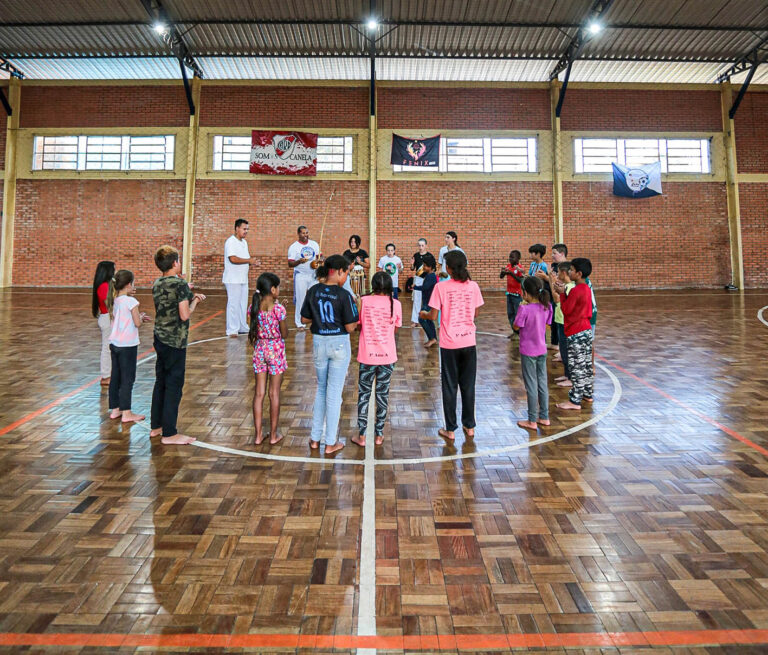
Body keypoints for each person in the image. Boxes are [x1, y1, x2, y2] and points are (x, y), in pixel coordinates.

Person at [420, 250, 484, 441]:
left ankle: (450, 429)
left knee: (449, 386)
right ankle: (469, 426)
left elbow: (433, 315)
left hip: (449, 344)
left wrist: (423, 315)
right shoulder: (473, 286)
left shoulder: (441, 287)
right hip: (468, 342)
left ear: (448, 268)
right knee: (468, 385)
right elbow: (476, 313)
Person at [300, 255, 359, 455]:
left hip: (319, 342)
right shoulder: (344, 295)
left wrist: (320, 317)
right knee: (334, 394)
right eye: (346, 273)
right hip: (339, 343)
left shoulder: (313, 290)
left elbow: (304, 318)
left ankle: (315, 438)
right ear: (339, 271)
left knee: (321, 390)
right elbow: (350, 327)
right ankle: (331, 441)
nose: (346, 277)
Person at [149, 245, 206, 445]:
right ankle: (170, 433)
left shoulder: (157, 283)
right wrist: (195, 300)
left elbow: (169, 297)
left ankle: (156, 426)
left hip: (159, 337)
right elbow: (184, 314)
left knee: (161, 382)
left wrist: (185, 289)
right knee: (174, 385)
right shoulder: (180, 285)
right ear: (175, 263)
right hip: (175, 341)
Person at [352, 271, 402, 447]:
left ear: (373, 286)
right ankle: (379, 434)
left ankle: (362, 435)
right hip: (387, 357)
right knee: (382, 395)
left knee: (364, 395)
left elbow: (358, 326)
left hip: (367, 356)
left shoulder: (364, 301)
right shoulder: (395, 304)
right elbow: (395, 329)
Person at [248, 272, 287, 446]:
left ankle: (258, 436)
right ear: (272, 289)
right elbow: (284, 334)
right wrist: (282, 318)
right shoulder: (279, 310)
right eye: (278, 287)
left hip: (259, 350)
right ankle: (273, 435)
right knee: (274, 393)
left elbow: (254, 327)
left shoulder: (253, 307)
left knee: (259, 393)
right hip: (275, 350)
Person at [107, 269, 150, 424]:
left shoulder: (115, 300)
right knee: (127, 378)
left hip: (115, 343)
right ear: (128, 284)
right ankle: (127, 412)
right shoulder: (132, 301)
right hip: (128, 345)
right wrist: (141, 317)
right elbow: (137, 323)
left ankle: (115, 409)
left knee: (116, 376)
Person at [513, 276, 553, 431]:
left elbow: (516, 326)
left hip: (528, 351)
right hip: (542, 349)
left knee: (531, 384)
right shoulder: (547, 306)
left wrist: (521, 308)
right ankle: (544, 417)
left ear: (526, 293)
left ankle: (532, 420)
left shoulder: (524, 309)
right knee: (542, 382)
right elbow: (548, 324)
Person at [556, 258, 594, 411]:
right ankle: (587, 393)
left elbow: (566, 310)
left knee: (576, 367)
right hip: (586, 330)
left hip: (576, 331)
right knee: (586, 365)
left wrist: (562, 294)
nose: (569, 272)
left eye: (571, 270)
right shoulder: (586, 288)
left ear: (579, 273)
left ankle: (575, 401)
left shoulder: (576, 290)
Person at [223, 219, 259, 338]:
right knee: (233, 304)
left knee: (242, 304)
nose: (246, 231)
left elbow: (245, 259)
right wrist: (249, 260)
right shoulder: (231, 242)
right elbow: (232, 259)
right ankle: (232, 329)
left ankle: (242, 326)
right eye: (244, 229)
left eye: (247, 229)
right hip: (233, 279)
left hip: (243, 278)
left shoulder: (244, 242)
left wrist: (252, 262)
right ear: (237, 228)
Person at [287, 225, 320, 330]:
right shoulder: (294, 247)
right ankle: (300, 323)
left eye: (306, 233)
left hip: (313, 275)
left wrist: (320, 261)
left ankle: (316, 320)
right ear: (298, 234)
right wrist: (299, 261)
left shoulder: (314, 244)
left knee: (315, 298)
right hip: (300, 275)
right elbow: (290, 264)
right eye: (303, 233)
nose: (305, 235)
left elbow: (320, 256)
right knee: (300, 299)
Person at [537, 243, 568, 351]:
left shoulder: (567, 268)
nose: (552, 256)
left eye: (554, 253)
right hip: (552, 296)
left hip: (560, 297)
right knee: (554, 320)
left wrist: (547, 277)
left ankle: (562, 347)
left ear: (562, 253)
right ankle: (554, 343)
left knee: (561, 322)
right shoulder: (553, 266)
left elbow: (558, 282)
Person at [550, 262, 574, 387]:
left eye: (559, 272)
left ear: (563, 273)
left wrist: (551, 280)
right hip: (560, 320)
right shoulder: (566, 286)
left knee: (566, 351)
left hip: (565, 322)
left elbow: (556, 299)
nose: (557, 274)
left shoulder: (569, 287)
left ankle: (571, 378)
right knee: (563, 350)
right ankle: (566, 374)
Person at [92, 260, 116, 386]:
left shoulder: (107, 285)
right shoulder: (104, 286)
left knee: (110, 347)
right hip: (107, 318)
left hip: (107, 317)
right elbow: (110, 302)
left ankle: (109, 373)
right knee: (107, 348)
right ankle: (106, 375)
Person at [500, 249, 524, 338]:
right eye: (509, 257)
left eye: (512, 257)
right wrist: (503, 272)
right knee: (510, 313)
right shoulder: (508, 266)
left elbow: (520, 280)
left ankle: (520, 332)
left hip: (517, 295)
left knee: (517, 314)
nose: (510, 259)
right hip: (509, 294)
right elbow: (501, 277)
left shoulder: (519, 268)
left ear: (518, 259)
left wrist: (511, 274)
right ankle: (515, 332)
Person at [410, 238, 432, 327]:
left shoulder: (430, 256)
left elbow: (433, 268)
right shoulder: (416, 255)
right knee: (417, 300)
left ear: (426, 246)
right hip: (418, 278)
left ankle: (426, 319)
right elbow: (412, 269)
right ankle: (415, 320)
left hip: (427, 278)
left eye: (422, 245)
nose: (421, 247)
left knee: (427, 299)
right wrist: (412, 264)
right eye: (419, 245)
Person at [417, 253, 438, 348]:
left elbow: (425, 287)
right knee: (428, 320)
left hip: (429, 302)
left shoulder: (431, 276)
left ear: (430, 267)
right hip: (427, 300)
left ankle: (432, 338)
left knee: (422, 319)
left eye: (425, 266)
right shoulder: (429, 275)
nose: (423, 267)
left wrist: (415, 287)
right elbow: (418, 274)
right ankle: (433, 338)